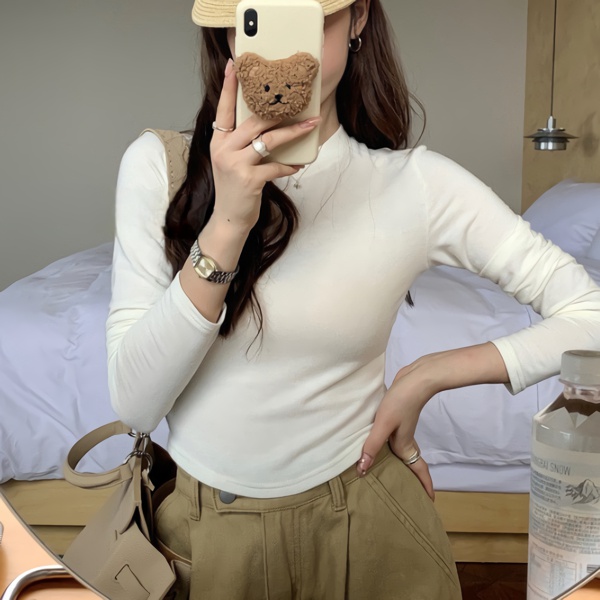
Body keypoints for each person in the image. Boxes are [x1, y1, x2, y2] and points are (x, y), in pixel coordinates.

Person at [106, 0, 600, 598]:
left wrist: (427, 375)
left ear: (359, 17)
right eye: (257, 17)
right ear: (229, 35)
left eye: (309, 14)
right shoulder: (159, 169)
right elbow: (136, 406)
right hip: (210, 541)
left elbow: (590, 314)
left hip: (371, 523)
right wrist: (228, 224)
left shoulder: (415, 185)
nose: (285, 49)